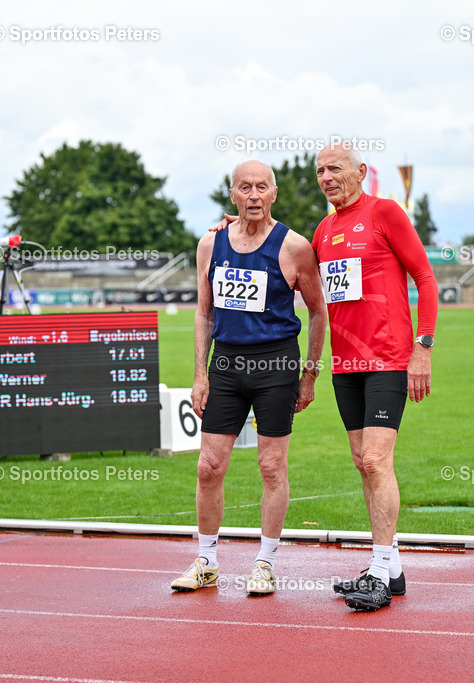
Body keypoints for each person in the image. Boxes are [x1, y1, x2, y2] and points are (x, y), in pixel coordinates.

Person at [170, 160, 327, 597]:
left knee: (271, 465)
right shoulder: (210, 245)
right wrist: (199, 374)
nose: (254, 195)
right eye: (245, 188)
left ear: (274, 193)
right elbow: (203, 313)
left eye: (262, 187)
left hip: (276, 365)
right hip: (226, 365)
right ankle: (206, 560)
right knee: (209, 466)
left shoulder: (294, 247)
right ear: (233, 194)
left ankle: (265, 562)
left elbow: (317, 312)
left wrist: (309, 374)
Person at [311, 143, 438, 611]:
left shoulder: (385, 213)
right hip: (345, 366)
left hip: (388, 359)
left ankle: (379, 575)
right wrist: (233, 227)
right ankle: (392, 567)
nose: (326, 177)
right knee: (362, 463)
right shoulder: (323, 230)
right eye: (320, 171)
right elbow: (279, 257)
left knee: (377, 460)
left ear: (360, 171)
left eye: (335, 168)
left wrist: (422, 349)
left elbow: (425, 278)